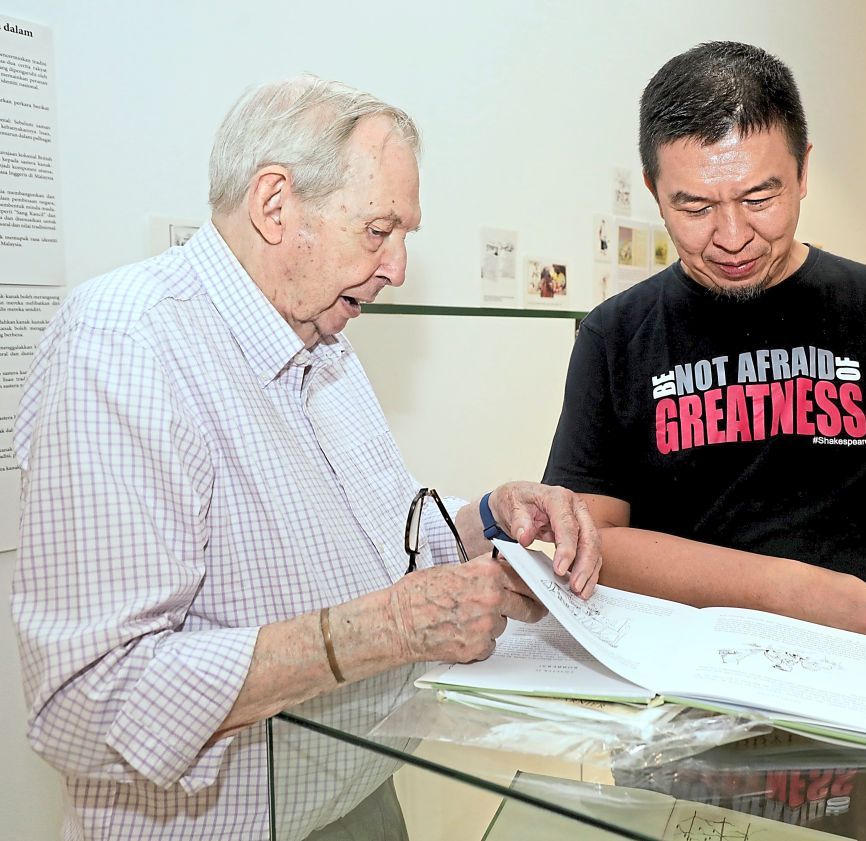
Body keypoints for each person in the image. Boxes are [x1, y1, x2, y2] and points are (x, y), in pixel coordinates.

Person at [10, 76, 601, 841]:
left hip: (356, 798)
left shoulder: (324, 345)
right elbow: (88, 701)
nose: (398, 267)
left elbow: (380, 553)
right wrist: (386, 629)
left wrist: (487, 516)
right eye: (380, 230)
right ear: (275, 205)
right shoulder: (124, 346)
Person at [541, 42, 866, 644]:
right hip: (676, 672)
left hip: (863, 671)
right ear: (656, 191)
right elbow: (591, 542)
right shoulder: (615, 334)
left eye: (760, 199)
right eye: (696, 207)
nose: (733, 237)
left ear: (804, 171)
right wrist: (790, 591)